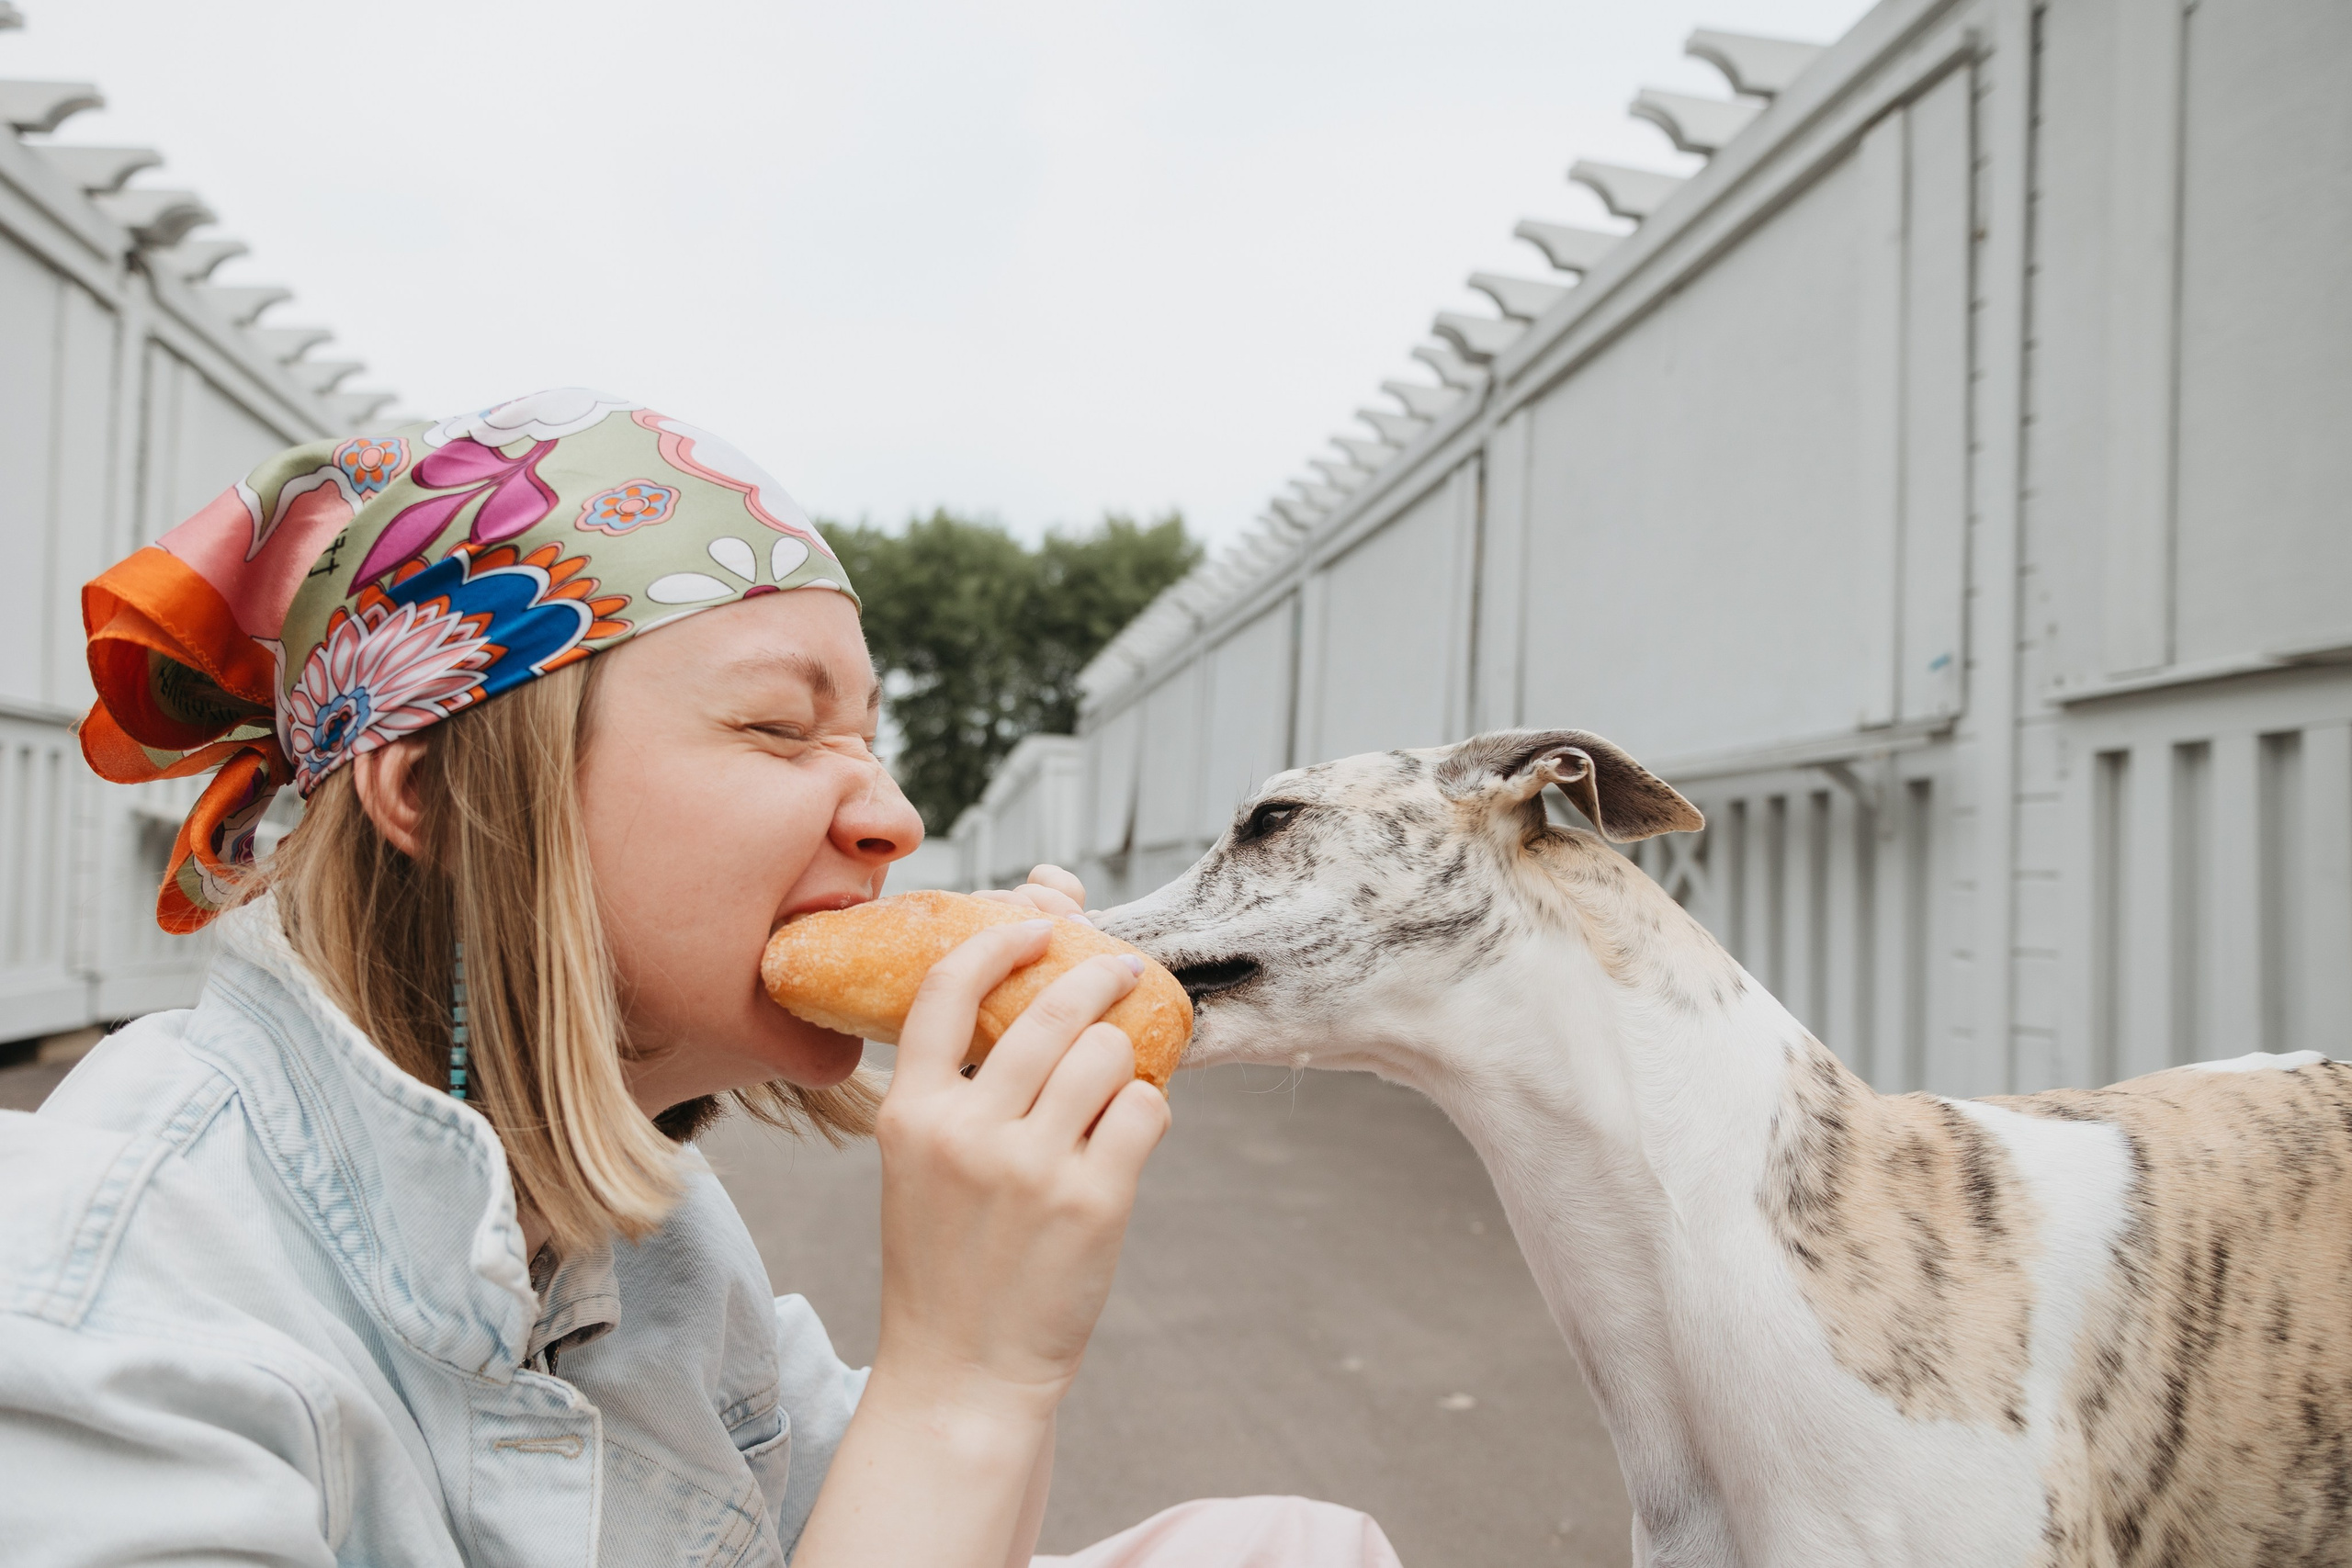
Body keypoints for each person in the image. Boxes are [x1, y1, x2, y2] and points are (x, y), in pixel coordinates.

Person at [0, 389, 1402, 1567]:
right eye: (781, 729)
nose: (895, 820)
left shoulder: (657, 1245)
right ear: (430, 790)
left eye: (870, 737)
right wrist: (961, 1379)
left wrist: (1003, 1360)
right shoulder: (100, 1313)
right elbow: (935, 1451)